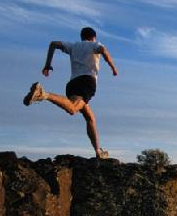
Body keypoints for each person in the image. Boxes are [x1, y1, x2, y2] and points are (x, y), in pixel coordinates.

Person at [23, 27, 118, 159]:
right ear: (93, 37)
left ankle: (98, 151)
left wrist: (47, 65)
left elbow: (53, 44)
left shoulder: (74, 46)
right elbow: (103, 50)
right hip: (87, 81)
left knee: (90, 117)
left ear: (82, 37)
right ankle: (43, 94)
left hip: (73, 83)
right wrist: (113, 67)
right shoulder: (95, 44)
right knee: (73, 109)